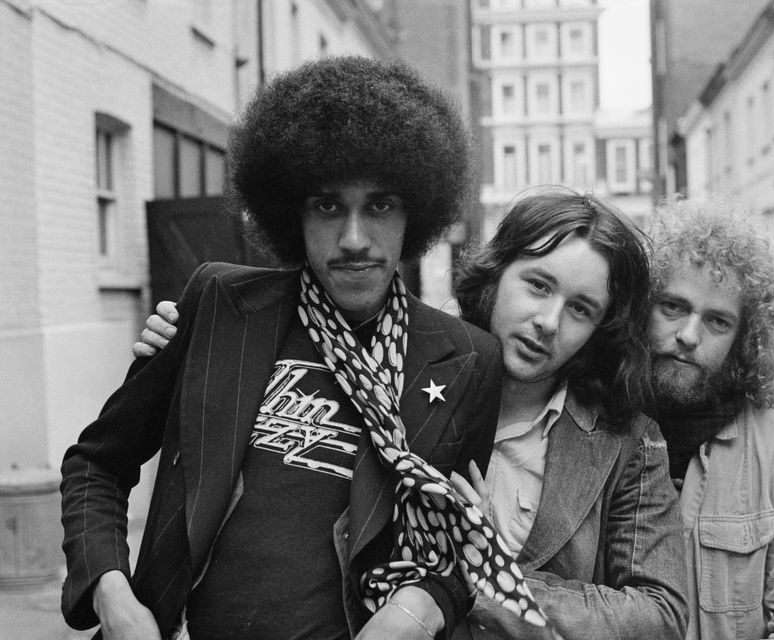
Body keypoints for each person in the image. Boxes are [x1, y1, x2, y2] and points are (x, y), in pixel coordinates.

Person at [61, 56, 541, 640]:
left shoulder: (466, 359)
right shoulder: (218, 305)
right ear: (294, 211)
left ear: (415, 212)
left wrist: (420, 610)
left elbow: (460, 542)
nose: (354, 239)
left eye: (380, 205)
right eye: (328, 206)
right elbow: (97, 465)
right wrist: (113, 596)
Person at [137, 188, 689, 640]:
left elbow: (660, 613)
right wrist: (188, 342)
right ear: (498, 272)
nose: (548, 320)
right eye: (538, 285)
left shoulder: (623, 440)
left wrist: (483, 575)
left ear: (601, 328)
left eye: (580, 308)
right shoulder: (388, 360)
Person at [645, 197, 774, 639]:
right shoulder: (593, 427)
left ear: (743, 339)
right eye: (672, 307)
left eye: (717, 321)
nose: (688, 335)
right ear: (642, 307)